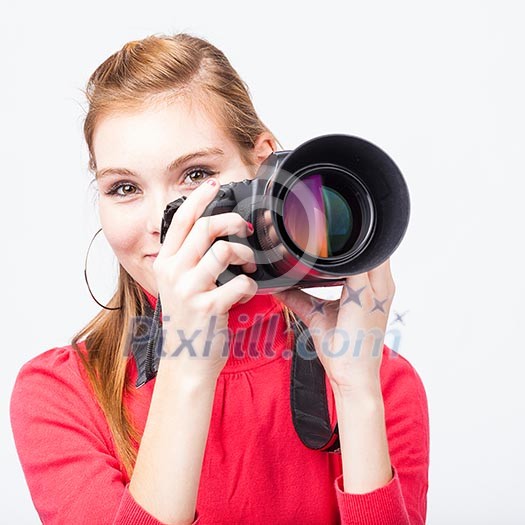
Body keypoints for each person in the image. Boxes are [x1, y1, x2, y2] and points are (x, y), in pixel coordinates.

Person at [9, 33, 429, 524]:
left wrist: (357, 395)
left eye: (194, 175)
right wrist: (186, 364)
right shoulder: (58, 395)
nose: (160, 222)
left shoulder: (381, 382)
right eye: (124, 187)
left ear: (264, 162)